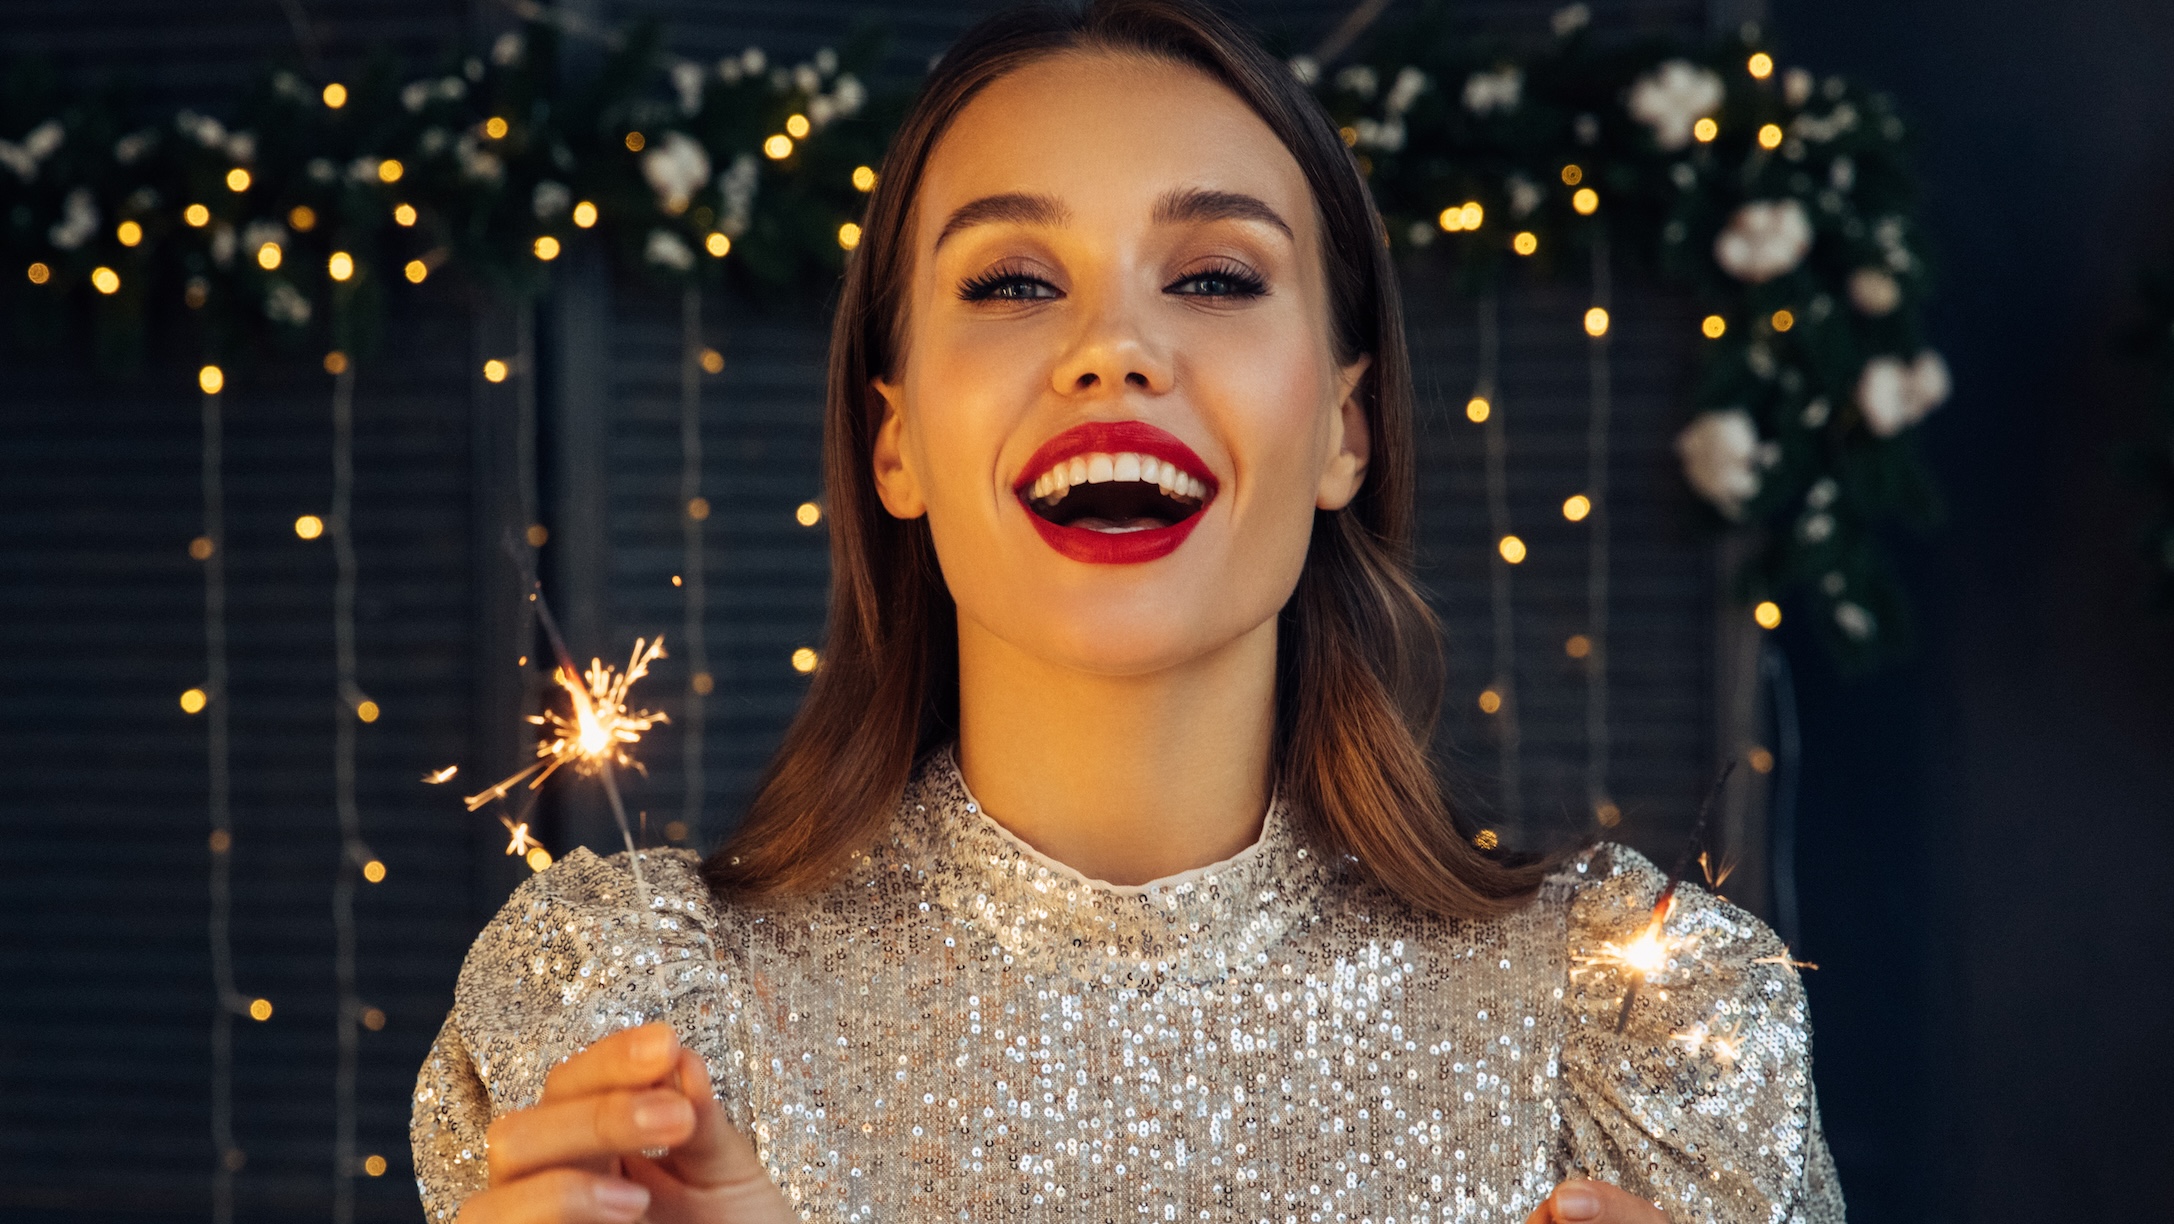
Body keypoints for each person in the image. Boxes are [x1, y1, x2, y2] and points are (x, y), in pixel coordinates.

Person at [412, 2, 1843, 1221]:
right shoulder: (630, 1016)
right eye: (1014, 282)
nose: (1112, 350)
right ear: (891, 444)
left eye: (1215, 277)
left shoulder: (1636, 1022)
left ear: (1347, 429)